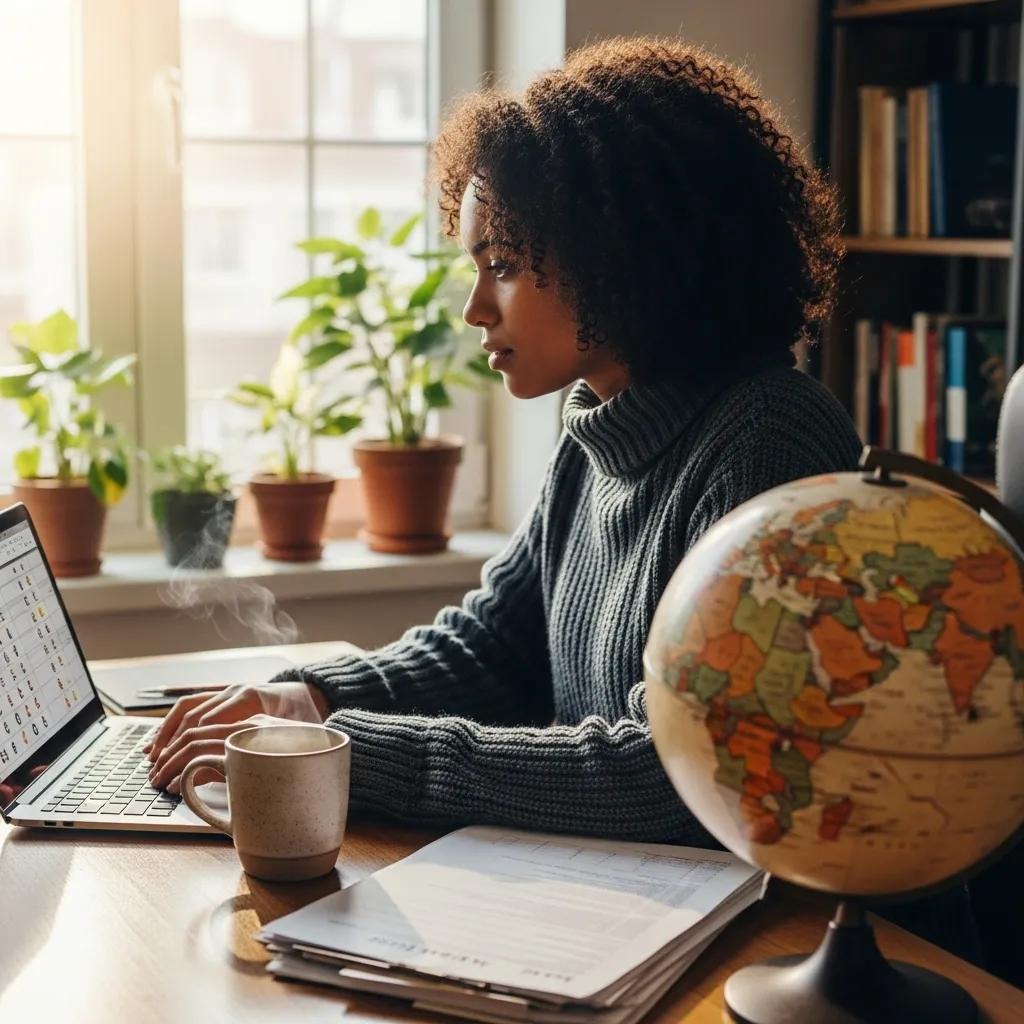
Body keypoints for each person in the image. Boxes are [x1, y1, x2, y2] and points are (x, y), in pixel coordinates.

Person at [146, 37, 861, 845]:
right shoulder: (597, 430)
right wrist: (310, 700)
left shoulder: (771, 443)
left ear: (624, 254)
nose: (475, 308)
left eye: (505, 264)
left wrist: (347, 753)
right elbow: (494, 649)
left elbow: (680, 775)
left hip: (802, 945)